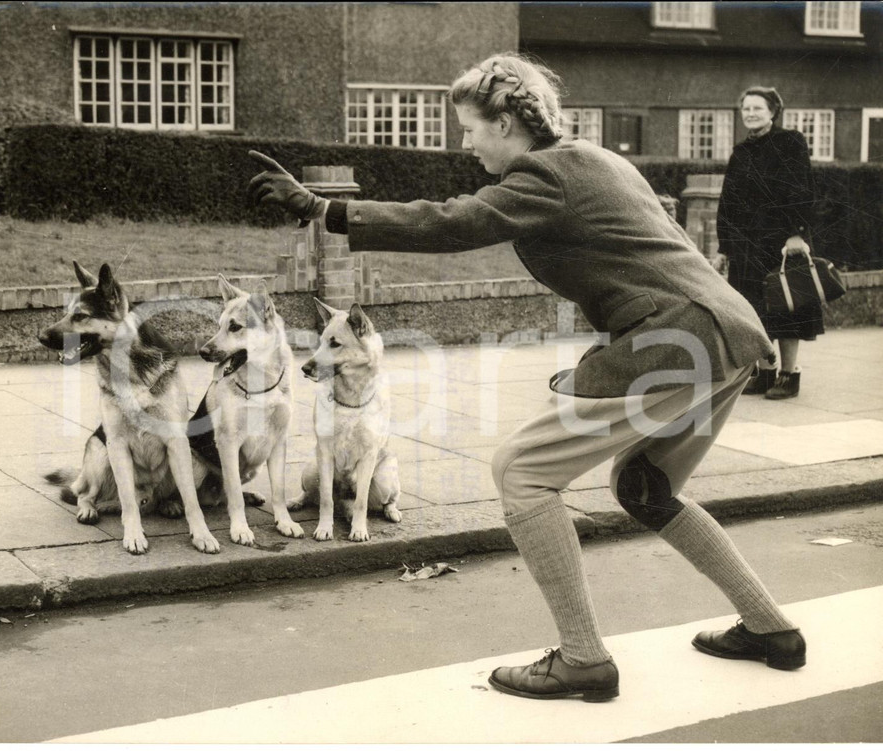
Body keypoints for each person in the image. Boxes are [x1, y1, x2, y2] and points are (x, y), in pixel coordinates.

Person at [248, 53, 805, 702]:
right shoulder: (596, 159)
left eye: (472, 128)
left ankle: (583, 658)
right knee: (647, 487)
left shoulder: (543, 173)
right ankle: (772, 628)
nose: (467, 143)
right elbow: (642, 259)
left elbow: (457, 221)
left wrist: (324, 208)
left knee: (520, 470)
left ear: (507, 121)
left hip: (677, 343)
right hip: (726, 335)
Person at [713, 86, 821, 400]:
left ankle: (789, 375)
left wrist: (796, 232)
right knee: (752, 311)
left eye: (757, 108)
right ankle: (765, 372)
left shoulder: (790, 142)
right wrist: (725, 247)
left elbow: (801, 188)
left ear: (773, 111)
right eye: (746, 109)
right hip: (747, 244)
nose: (751, 114)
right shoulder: (741, 151)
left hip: (782, 241)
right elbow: (728, 201)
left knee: (785, 308)